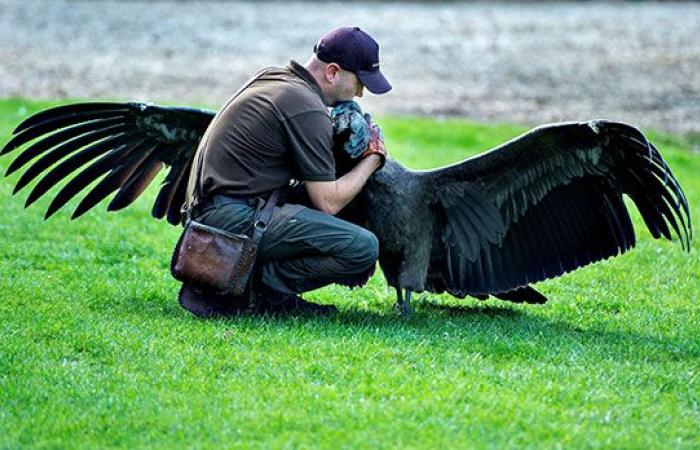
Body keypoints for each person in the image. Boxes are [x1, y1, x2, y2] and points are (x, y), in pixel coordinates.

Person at [179, 26, 392, 317]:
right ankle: (258, 292)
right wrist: (374, 157)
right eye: (359, 82)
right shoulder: (306, 108)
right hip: (229, 222)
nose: (360, 93)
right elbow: (327, 202)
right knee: (362, 247)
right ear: (332, 72)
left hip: (215, 212)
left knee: (350, 203)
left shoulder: (275, 78)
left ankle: (239, 279)